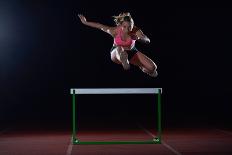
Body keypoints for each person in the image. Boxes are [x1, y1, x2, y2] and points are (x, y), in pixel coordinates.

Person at [78, 12, 158, 77]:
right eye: (124, 26)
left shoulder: (135, 30)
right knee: (120, 48)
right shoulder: (114, 31)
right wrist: (85, 22)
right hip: (116, 53)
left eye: (130, 26)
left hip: (131, 51)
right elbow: (100, 26)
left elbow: (147, 40)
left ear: (132, 25)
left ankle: (141, 67)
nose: (127, 29)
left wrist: (139, 38)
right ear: (120, 25)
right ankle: (124, 61)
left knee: (153, 68)